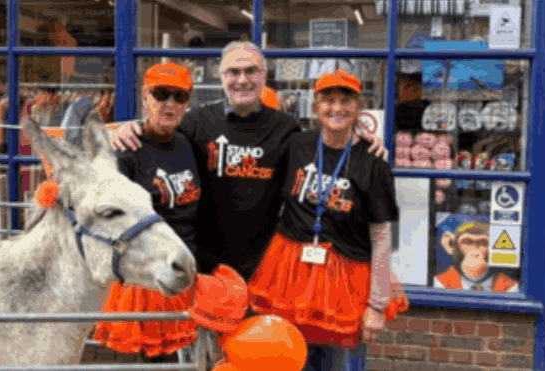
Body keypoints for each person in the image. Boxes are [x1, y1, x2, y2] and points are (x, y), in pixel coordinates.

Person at [111, 41, 388, 280]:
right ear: (222, 77)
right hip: (202, 266)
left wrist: (360, 142)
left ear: (263, 76)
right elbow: (160, 133)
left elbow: (324, 152)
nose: (242, 80)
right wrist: (128, 129)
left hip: (263, 266)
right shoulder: (195, 123)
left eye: (250, 71)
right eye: (233, 72)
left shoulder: (286, 128)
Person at [246, 69, 407, 371]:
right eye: (328, 100)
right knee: (287, 360)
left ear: (358, 107)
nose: (337, 108)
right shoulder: (296, 145)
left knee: (338, 365)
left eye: (345, 101)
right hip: (289, 276)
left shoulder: (373, 162)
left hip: (344, 283)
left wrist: (376, 304)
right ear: (316, 106)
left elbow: (382, 235)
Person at [92, 61, 201, 364]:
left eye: (179, 96)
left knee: (183, 359)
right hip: (149, 278)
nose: (170, 103)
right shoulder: (128, 148)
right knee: (154, 360)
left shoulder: (186, 142)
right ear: (144, 97)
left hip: (185, 269)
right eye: (161, 94)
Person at [433, 216, 519, 293]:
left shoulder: (508, 286)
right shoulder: (441, 282)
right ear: (450, 245)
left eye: (483, 243)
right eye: (468, 242)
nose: (475, 254)